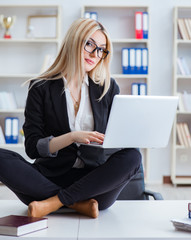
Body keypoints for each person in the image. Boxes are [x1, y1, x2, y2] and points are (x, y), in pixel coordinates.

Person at [0, 18, 141, 219]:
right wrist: (72, 136)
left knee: (133, 157)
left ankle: (54, 203)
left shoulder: (108, 89)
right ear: (74, 41)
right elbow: (32, 148)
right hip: (48, 179)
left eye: (101, 49)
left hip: (93, 183)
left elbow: (114, 142)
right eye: (90, 44)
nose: (95, 54)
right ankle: (78, 204)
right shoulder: (40, 88)